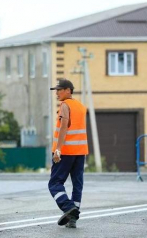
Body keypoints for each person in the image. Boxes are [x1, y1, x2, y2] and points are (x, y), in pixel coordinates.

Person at [48, 79, 88, 229]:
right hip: (80, 151)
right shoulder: (81, 106)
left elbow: (64, 125)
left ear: (68, 90)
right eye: (56, 90)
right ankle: (73, 219)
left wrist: (58, 150)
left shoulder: (65, 105)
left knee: (55, 183)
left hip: (66, 152)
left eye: (59, 90)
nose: (57, 93)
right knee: (77, 184)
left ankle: (68, 207)